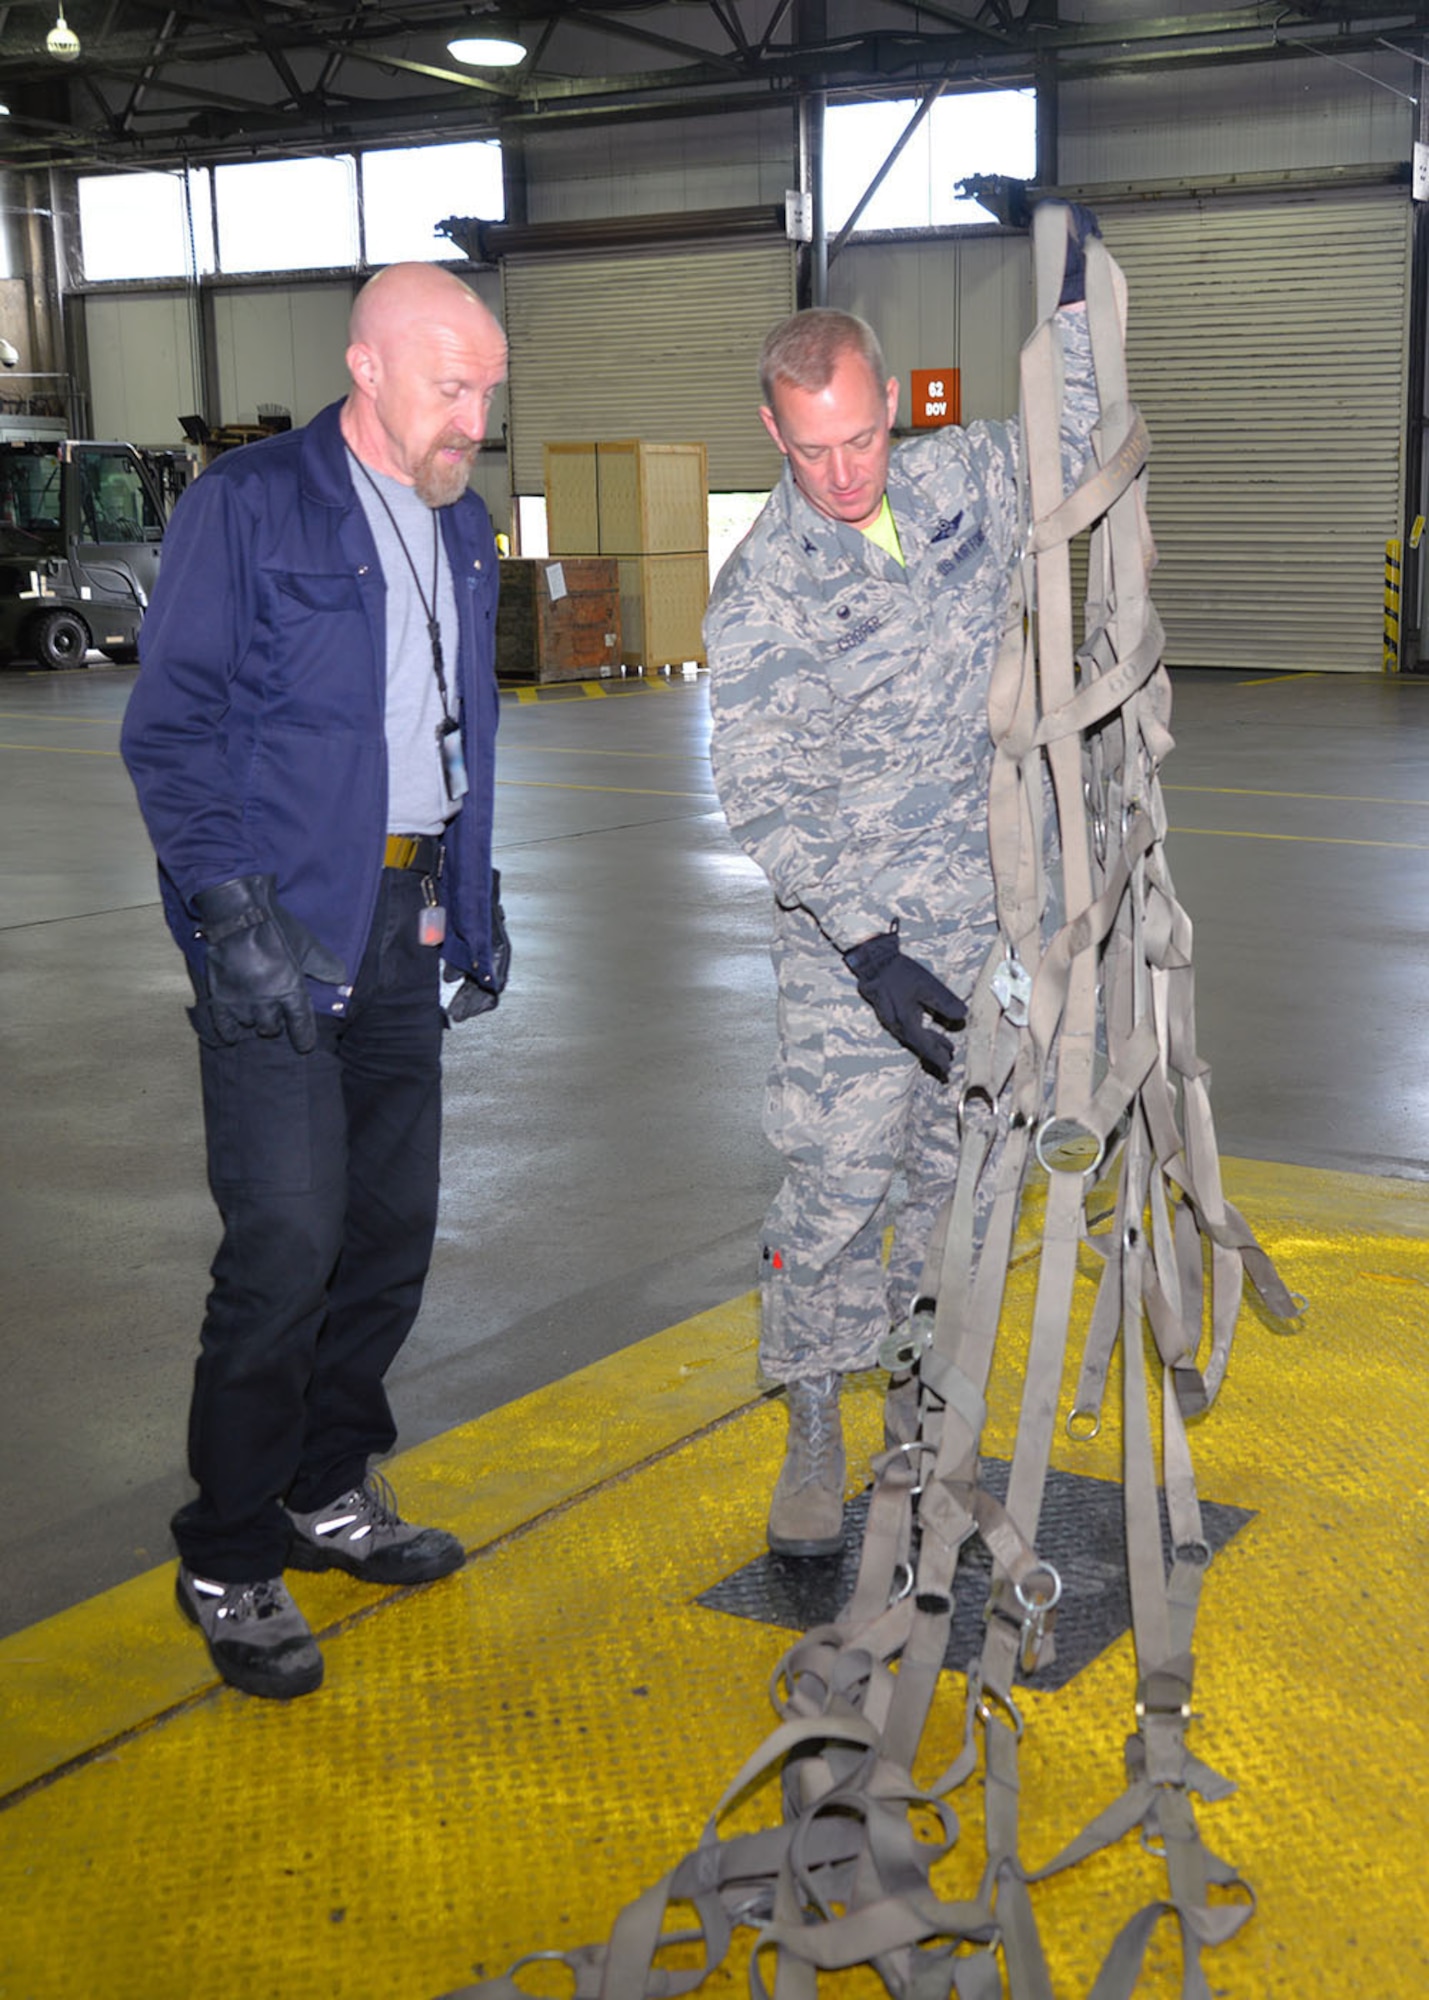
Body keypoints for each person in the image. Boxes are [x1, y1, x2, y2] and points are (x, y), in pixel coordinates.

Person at [121, 261, 511, 1698]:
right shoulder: (252, 506)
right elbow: (172, 734)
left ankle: (327, 1485)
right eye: (450, 384)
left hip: (405, 913)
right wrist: (230, 917)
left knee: (388, 1236)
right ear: (366, 366)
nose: (475, 414)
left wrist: (471, 894)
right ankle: (228, 1551)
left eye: (488, 388)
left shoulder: (457, 525)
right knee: (284, 1253)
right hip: (277, 936)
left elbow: (454, 730)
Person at [705, 209, 1101, 1559]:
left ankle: (925, 1430)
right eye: (810, 449)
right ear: (774, 433)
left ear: (893, 403)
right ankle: (813, 1424)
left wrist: (1072, 314)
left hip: (990, 925)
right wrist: (867, 949)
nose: (841, 473)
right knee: (832, 1191)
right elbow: (767, 794)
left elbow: (1075, 436)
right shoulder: (763, 593)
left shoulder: (958, 481)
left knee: (960, 1193)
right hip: (853, 962)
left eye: (861, 437)